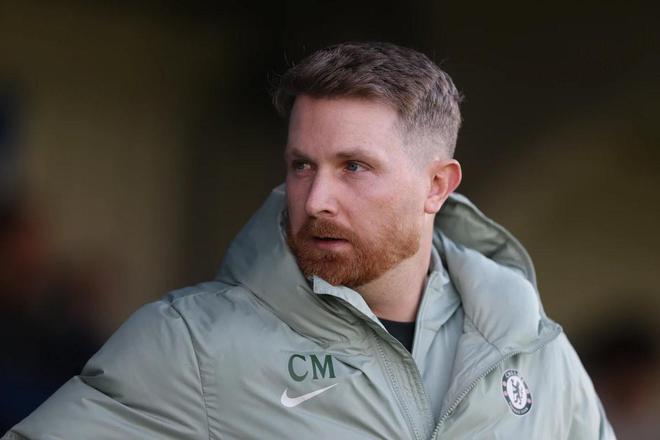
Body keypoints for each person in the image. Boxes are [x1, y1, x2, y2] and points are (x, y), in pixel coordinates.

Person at [3, 42, 615, 439]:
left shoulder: (532, 350)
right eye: (302, 165)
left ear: (437, 186)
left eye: (354, 167)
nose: (316, 198)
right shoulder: (191, 344)